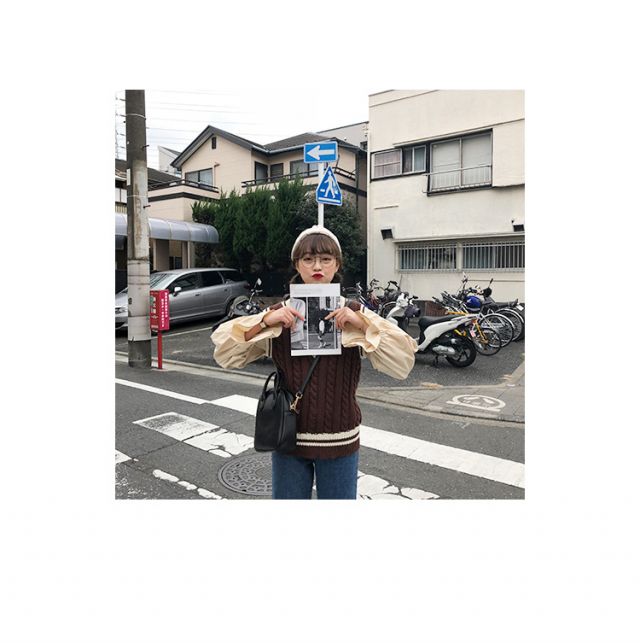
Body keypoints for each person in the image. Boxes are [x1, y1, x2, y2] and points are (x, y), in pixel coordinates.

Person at [211, 225, 417, 499]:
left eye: (326, 259)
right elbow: (225, 353)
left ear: (337, 264)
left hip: (340, 437)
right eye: (308, 259)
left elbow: (403, 360)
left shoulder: (353, 312)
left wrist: (362, 325)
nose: (317, 266)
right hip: (288, 436)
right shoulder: (280, 313)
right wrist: (264, 321)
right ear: (297, 264)